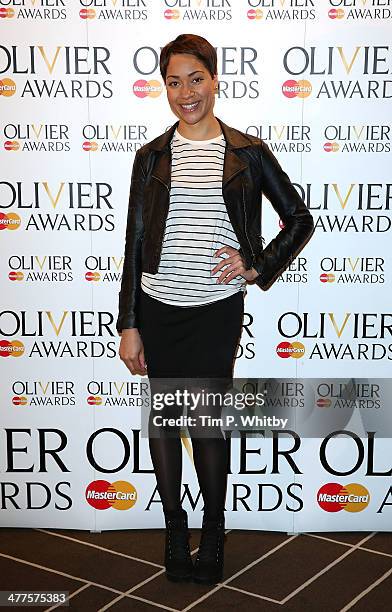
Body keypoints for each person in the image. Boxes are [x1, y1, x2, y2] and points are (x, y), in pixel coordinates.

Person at [117, 34, 314, 585]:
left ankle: (212, 532)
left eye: (195, 79)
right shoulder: (151, 156)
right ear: (165, 88)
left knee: (204, 424)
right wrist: (129, 323)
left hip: (214, 310)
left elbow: (299, 219)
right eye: (174, 82)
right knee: (164, 420)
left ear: (215, 78)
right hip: (157, 307)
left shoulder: (248, 153)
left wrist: (255, 264)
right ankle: (175, 532)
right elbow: (135, 245)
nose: (186, 93)